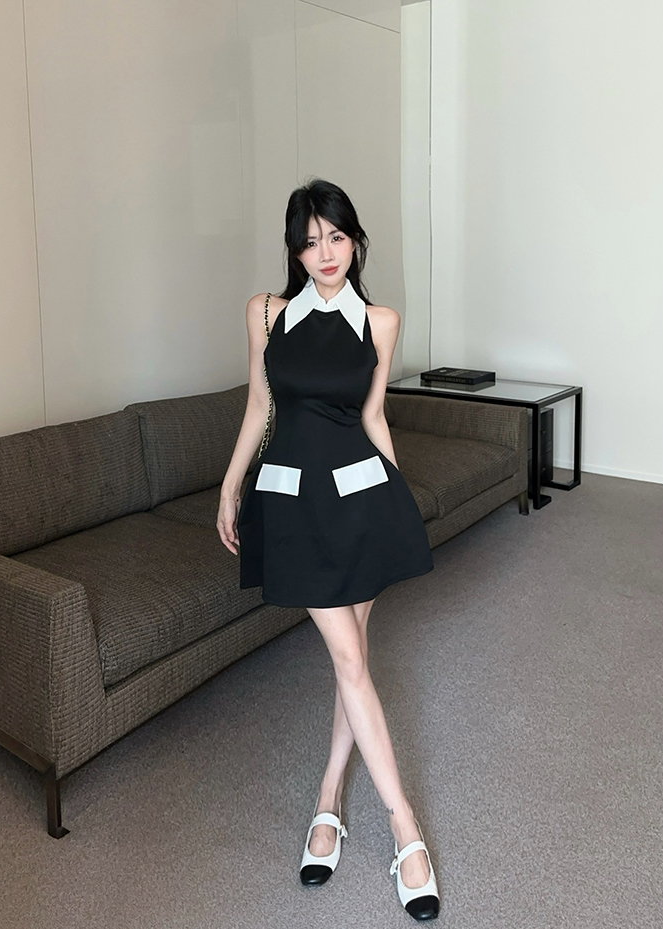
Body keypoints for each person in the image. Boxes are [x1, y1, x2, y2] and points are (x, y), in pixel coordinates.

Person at [216, 178, 440, 921]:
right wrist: (230, 486)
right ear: (294, 250)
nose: (325, 253)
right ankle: (406, 832)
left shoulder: (380, 321)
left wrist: (398, 501)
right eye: (310, 241)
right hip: (290, 504)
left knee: (353, 663)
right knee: (350, 659)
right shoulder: (267, 313)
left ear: (355, 240)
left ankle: (327, 802)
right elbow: (260, 404)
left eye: (336, 237)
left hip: (363, 500)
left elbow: (373, 416)